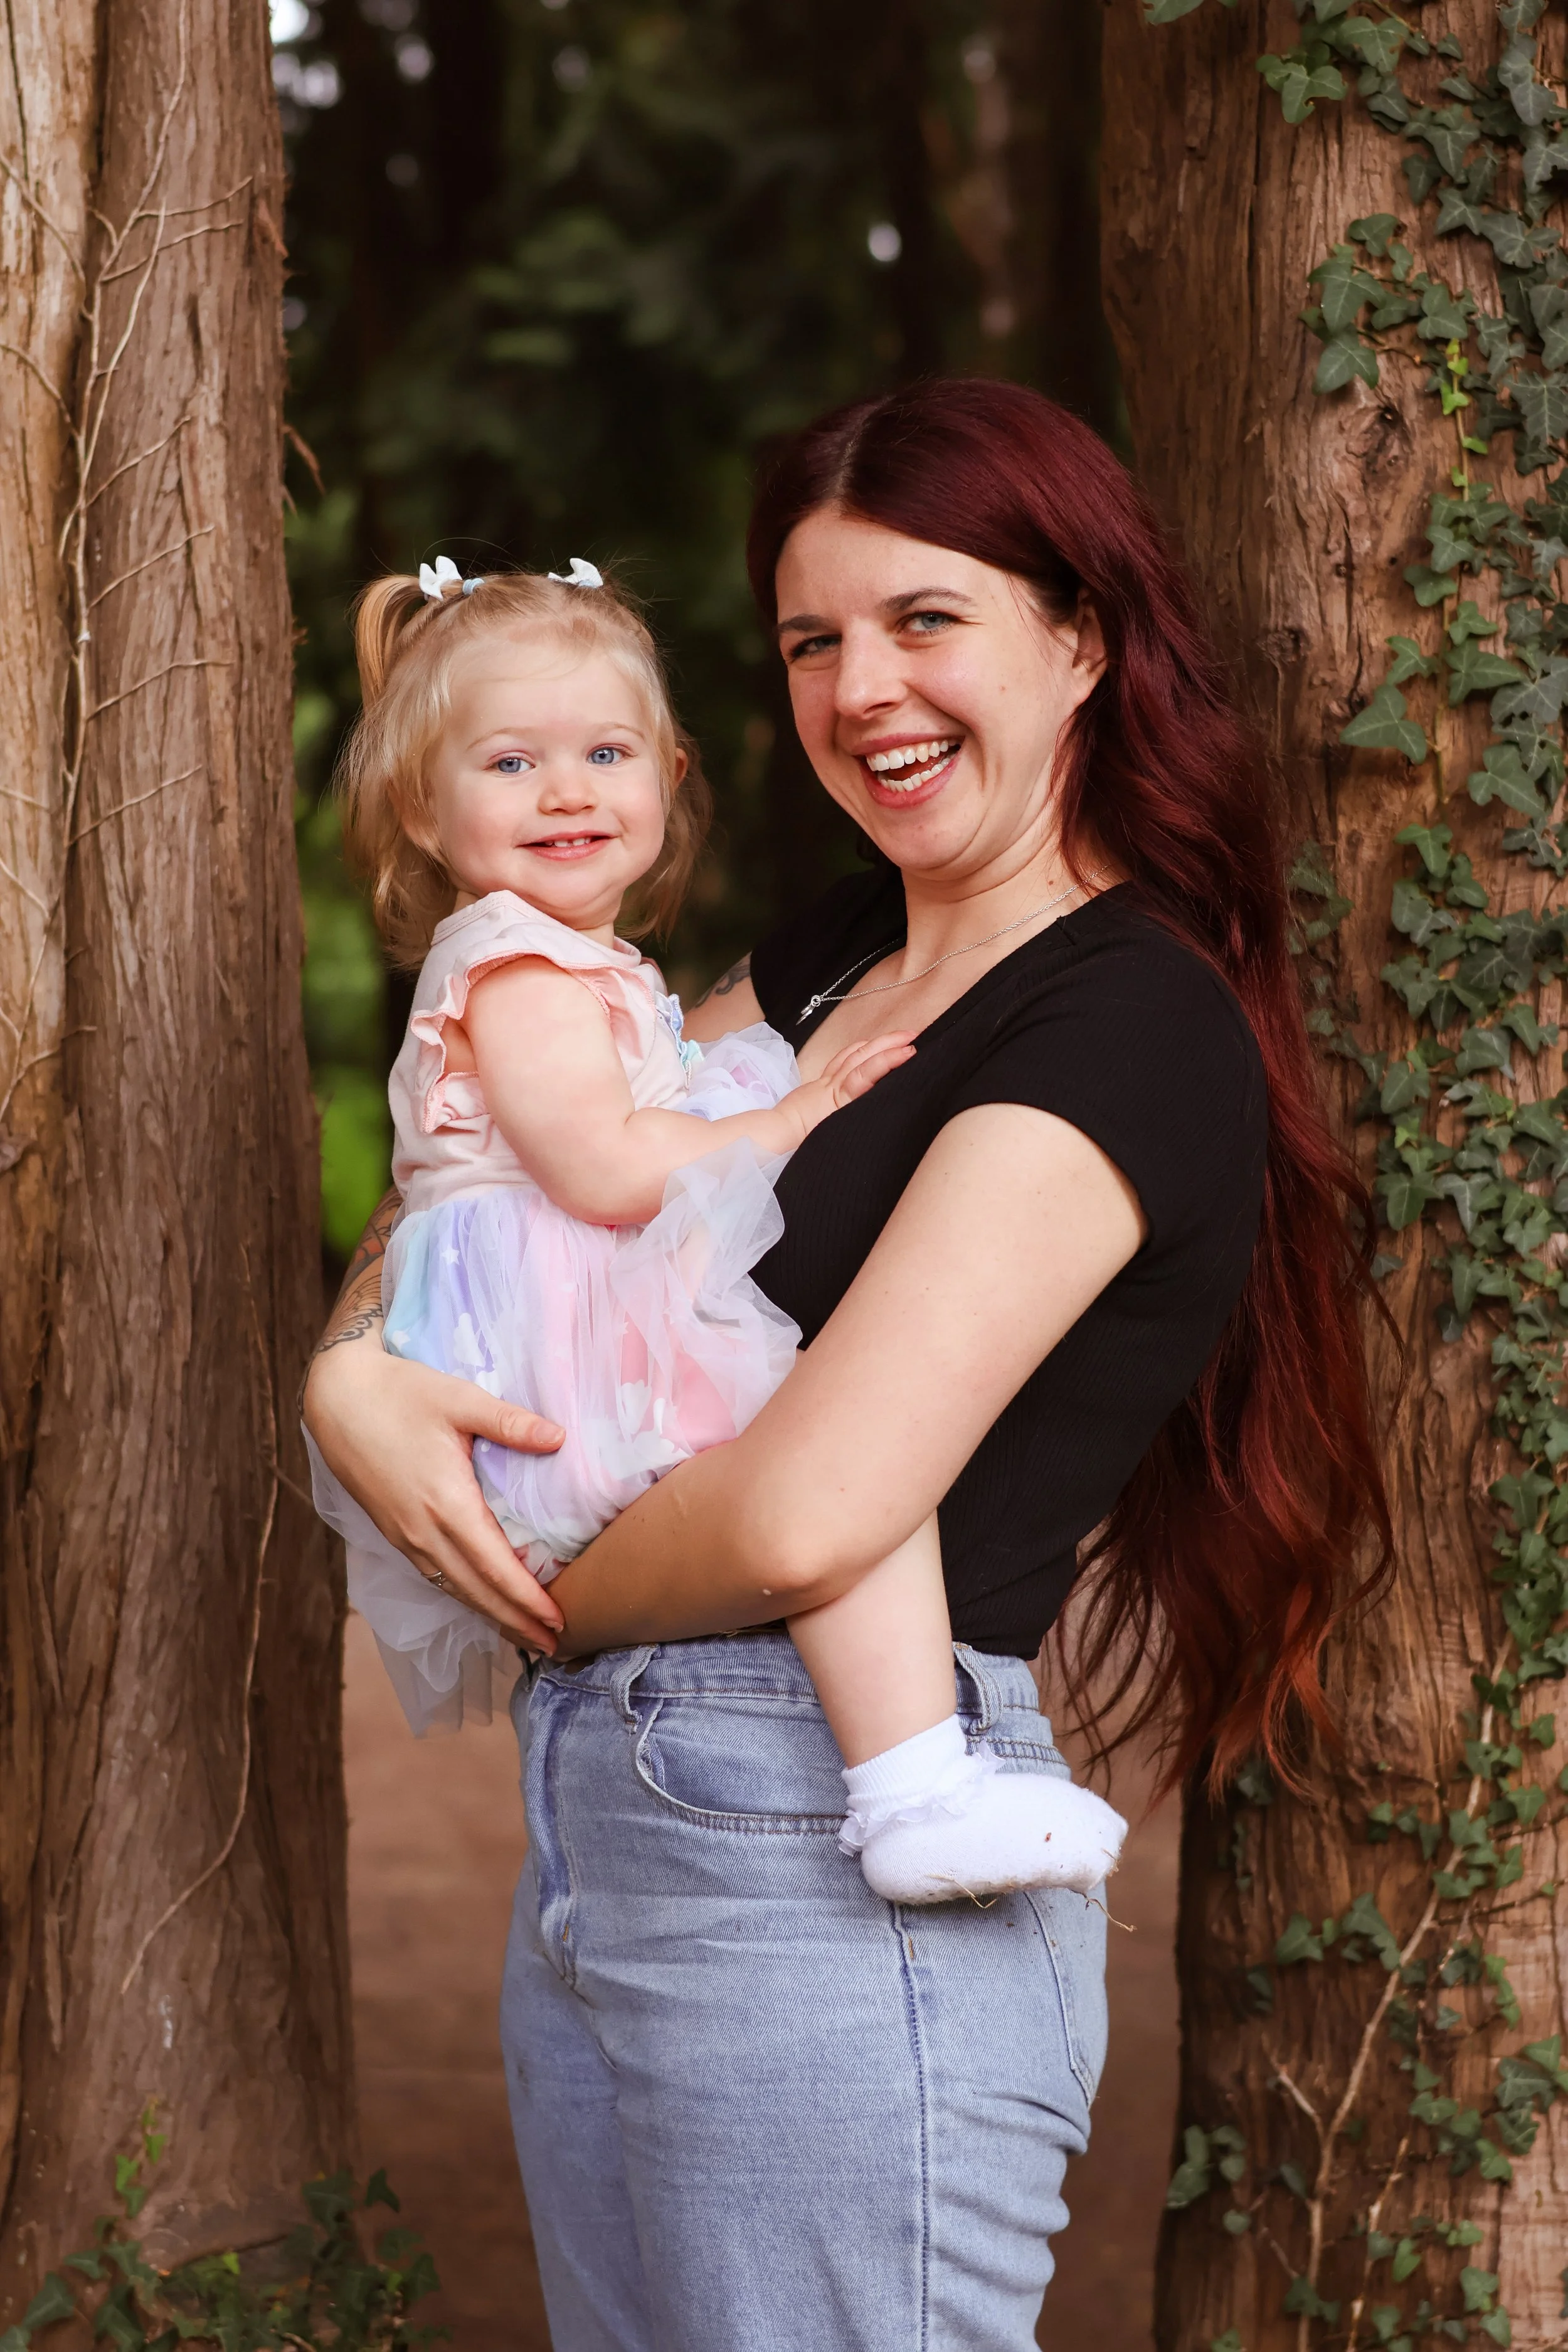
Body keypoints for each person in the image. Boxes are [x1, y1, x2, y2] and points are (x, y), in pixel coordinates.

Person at [304, 379, 1390, 2351]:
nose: (861, 684)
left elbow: (814, 1503)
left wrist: (537, 1586)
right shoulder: (824, 961)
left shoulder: (1126, 1022)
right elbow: (507, 1192)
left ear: (1079, 639)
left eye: (924, 618)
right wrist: (353, 1377)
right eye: (813, 637)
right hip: (626, 1832)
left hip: (833, 1844)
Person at [307, 553, 1126, 1905]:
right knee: (841, 1468)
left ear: (669, 774)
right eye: (510, 763)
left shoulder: (581, 965)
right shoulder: (519, 970)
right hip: (560, 1352)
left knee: (838, 1475)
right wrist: (790, 1116)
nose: (566, 790)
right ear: (421, 805)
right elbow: (614, 1173)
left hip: (556, 1338)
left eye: (605, 751)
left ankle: (912, 1782)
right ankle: (914, 1788)